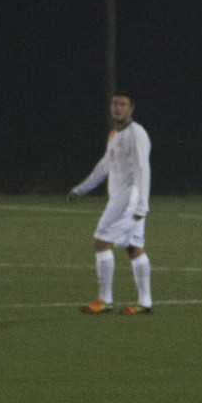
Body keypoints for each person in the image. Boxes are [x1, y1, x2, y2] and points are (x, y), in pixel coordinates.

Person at [69, 91, 153, 314]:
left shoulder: (137, 134)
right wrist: (82, 188)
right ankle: (145, 303)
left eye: (122, 104)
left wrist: (142, 204)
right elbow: (105, 164)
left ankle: (104, 300)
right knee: (134, 247)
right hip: (119, 198)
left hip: (130, 199)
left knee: (101, 241)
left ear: (131, 108)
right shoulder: (115, 134)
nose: (117, 108)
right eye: (114, 104)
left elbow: (143, 169)